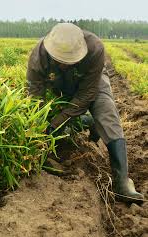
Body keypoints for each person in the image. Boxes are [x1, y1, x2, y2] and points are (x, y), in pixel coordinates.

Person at [26, 23, 144, 203]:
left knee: (106, 113)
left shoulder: (95, 48)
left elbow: (86, 95)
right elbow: (35, 96)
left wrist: (56, 123)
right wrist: (43, 125)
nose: (64, 64)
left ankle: (122, 182)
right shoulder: (38, 56)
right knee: (57, 115)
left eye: (69, 60)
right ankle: (89, 123)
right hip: (59, 84)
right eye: (60, 60)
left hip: (92, 82)